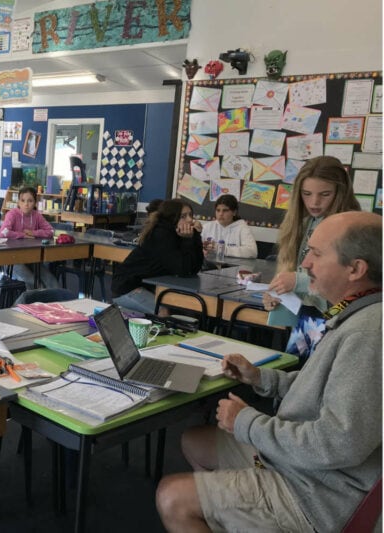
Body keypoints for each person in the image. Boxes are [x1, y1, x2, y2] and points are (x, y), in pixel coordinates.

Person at [156, 211, 382, 533]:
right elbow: (320, 389)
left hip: (316, 494)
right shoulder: (355, 313)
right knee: (195, 442)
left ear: (356, 269)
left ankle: (245, 510)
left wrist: (247, 421)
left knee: (171, 498)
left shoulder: (368, 333)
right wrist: (261, 378)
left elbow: (336, 444)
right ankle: (237, 513)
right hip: (298, 464)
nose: (304, 265)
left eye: (317, 254)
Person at [264, 156, 359, 358]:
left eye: (325, 194)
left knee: (316, 377)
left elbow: (349, 283)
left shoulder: (354, 226)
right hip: (306, 317)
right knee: (300, 375)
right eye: (307, 194)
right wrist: (277, 292)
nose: (314, 202)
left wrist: (297, 281)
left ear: (340, 193)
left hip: (338, 316)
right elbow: (295, 271)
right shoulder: (305, 222)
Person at [111, 199, 204, 314]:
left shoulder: (177, 232)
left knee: (186, 307)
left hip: (147, 286)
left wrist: (196, 237)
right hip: (126, 288)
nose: (190, 220)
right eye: (183, 216)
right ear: (172, 218)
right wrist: (188, 240)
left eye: (190, 215)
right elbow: (183, 269)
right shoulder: (161, 234)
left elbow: (194, 268)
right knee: (163, 311)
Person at [0, 186, 59, 289]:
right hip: (11, 259)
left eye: (30, 201)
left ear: (35, 203)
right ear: (18, 202)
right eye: (23, 200)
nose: (26, 204)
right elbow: (3, 233)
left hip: (31, 257)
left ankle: (57, 302)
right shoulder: (12, 214)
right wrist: (22, 235)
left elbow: (51, 231)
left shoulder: (37, 216)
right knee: (33, 282)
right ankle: (34, 303)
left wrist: (34, 233)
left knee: (50, 280)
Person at [200, 194, 257, 258]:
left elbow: (252, 252)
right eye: (218, 210)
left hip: (234, 267)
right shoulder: (207, 227)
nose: (220, 214)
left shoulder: (242, 227)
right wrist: (202, 250)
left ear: (234, 212)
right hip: (210, 266)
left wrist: (222, 249)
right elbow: (196, 248)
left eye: (225, 210)